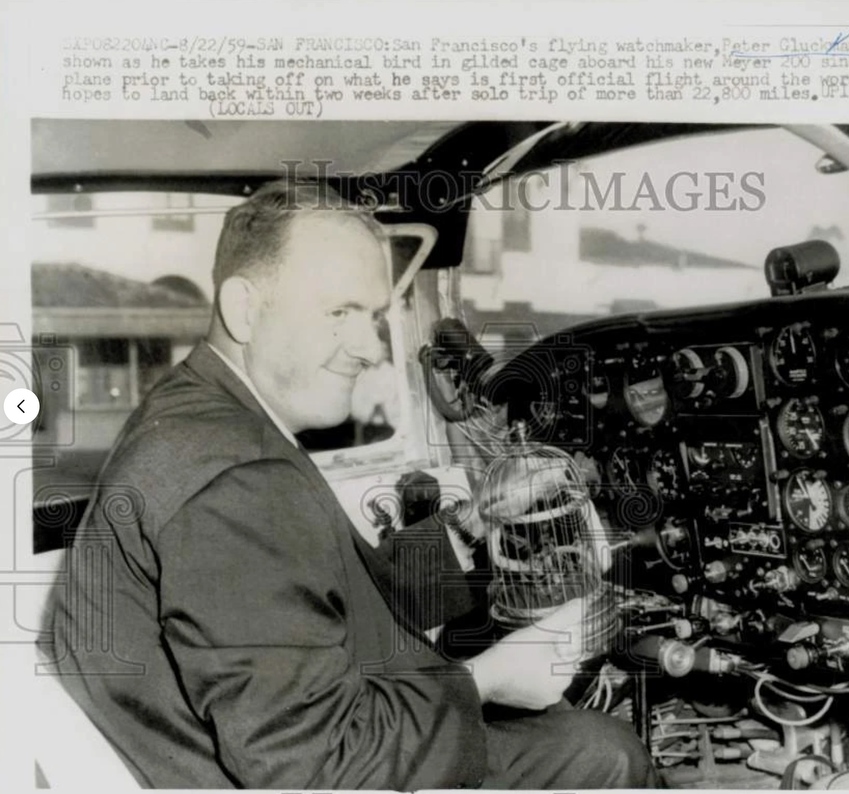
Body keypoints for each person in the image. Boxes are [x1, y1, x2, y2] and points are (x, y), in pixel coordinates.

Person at [43, 180, 658, 789]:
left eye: (375, 318)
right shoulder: (235, 480)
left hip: (270, 744)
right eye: (339, 313)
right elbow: (314, 765)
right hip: (303, 768)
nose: (369, 349)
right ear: (243, 309)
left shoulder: (204, 416)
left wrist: (475, 524)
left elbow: (327, 605)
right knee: (604, 751)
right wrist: (491, 679)